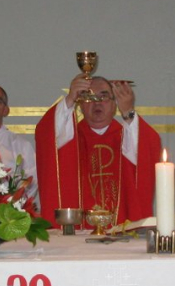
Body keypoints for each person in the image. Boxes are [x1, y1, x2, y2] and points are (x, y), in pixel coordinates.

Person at [35, 74, 161, 228]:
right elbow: (45, 134)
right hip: (78, 232)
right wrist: (69, 98)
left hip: (122, 229)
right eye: (89, 97)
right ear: (80, 104)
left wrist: (128, 112)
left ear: (115, 104)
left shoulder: (128, 136)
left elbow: (148, 147)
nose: (97, 103)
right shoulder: (68, 137)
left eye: (104, 96)